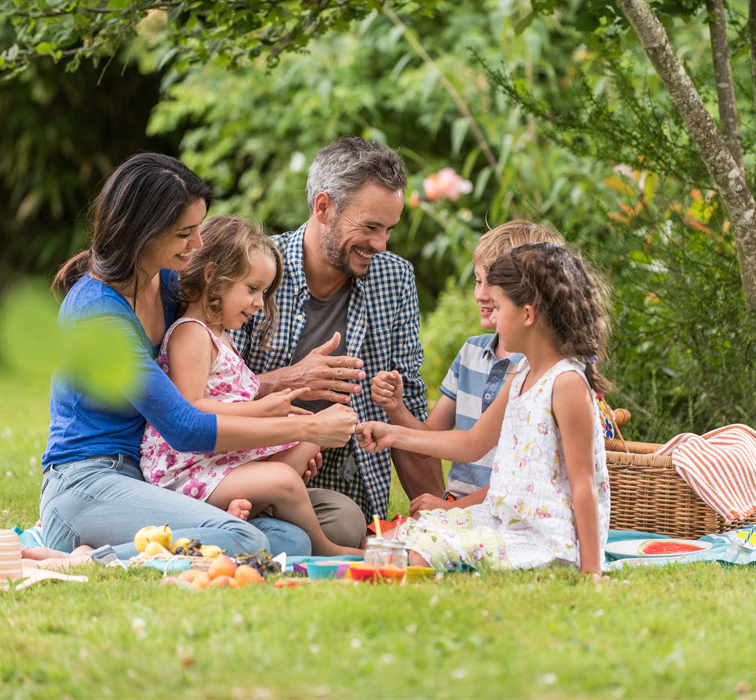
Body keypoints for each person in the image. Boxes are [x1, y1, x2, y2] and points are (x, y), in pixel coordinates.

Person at [37, 153, 358, 565]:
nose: (198, 245)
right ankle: (85, 559)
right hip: (87, 483)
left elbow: (214, 384)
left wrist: (288, 382)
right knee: (244, 540)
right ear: (142, 232)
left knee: (292, 542)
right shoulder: (99, 313)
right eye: (185, 233)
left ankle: (186, 533)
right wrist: (311, 426)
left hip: (145, 478)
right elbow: (184, 427)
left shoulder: (167, 286)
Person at [230, 136, 443, 543]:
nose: (380, 245)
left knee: (346, 522)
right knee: (337, 529)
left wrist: (441, 520)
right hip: (247, 462)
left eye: (389, 230)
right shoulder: (253, 268)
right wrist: (289, 379)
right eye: (370, 227)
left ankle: (258, 530)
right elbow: (206, 396)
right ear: (323, 207)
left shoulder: (394, 279)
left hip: (344, 472)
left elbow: (408, 407)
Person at [357, 241, 611, 578]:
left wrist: (591, 570)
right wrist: (393, 434)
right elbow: (471, 443)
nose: (493, 317)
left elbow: (584, 485)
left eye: (499, 308)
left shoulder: (565, 383)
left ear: (527, 315)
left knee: (410, 557)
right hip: (502, 518)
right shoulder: (522, 373)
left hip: (544, 540)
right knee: (383, 542)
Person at [139, 216, 364, 557]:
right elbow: (190, 409)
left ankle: (241, 513)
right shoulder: (191, 334)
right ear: (213, 276)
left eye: (264, 292)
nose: (260, 303)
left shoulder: (221, 337)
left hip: (218, 461)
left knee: (309, 438)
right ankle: (325, 548)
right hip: (187, 471)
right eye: (252, 289)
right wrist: (260, 410)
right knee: (286, 479)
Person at [369, 221, 567, 517]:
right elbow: (430, 443)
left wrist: (453, 511)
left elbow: (522, 480)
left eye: (493, 285)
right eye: (478, 281)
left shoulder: (538, 371)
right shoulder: (471, 353)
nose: (481, 295)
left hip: (507, 510)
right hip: (458, 506)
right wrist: (396, 408)